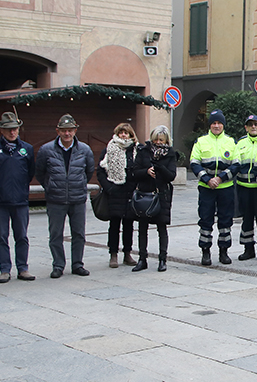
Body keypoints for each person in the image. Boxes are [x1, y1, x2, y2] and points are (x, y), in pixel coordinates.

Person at [35, 114, 95, 278]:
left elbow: (89, 171)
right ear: (58, 131)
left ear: (75, 130)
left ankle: (77, 264)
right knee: (55, 234)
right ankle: (58, 265)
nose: (67, 134)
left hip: (77, 198)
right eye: (63, 131)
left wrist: (79, 184)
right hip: (56, 199)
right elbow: (40, 172)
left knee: (79, 234)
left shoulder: (84, 149)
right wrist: (50, 186)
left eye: (70, 130)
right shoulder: (46, 150)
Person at [0, 111, 36, 284]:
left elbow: (30, 172)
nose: (12, 132)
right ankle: (4, 269)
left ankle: (23, 268)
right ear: (2, 131)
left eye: (15, 129)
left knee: (22, 236)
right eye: (8, 129)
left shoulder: (26, 149)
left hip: (20, 200)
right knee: (1, 236)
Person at [190, 109, 237, 266]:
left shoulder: (231, 142)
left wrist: (220, 178)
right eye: (214, 123)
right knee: (205, 219)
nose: (216, 126)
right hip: (206, 188)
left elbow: (236, 165)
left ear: (223, 125)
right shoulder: (201, 141)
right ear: (210, 125)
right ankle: (205, 252)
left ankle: (224, 252)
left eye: (219, 123)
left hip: (226, 187)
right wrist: (207, 179)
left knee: (225, 221)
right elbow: (194, 163)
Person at [131, 125, 177, 272]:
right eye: (155, 139)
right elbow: (134, 171)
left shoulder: (170, 154)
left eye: (161, 140)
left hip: (161, 194)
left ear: (166, 140)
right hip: (145, 193)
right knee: (142, 227)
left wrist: (159, 168)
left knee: (161, 227)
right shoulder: (143, 151)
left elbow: (171, 176)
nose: (158, 142)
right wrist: (146, 171)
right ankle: (142, 258)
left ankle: (162, 259)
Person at [98, 122, 138, 268]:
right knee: (114, 224)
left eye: (126, 133)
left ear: (130, 135)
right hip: (115, 191)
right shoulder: (110, 148)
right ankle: (113, 254)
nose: (123, 135)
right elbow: (100, 171)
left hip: (129, 191)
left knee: (129, 224)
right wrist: (109, 187)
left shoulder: (135, 150)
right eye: (121, 132)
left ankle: (127, 253)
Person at [234, 114, 257, 261]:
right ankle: (248, 249)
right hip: (243, 187)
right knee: (246, 219)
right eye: (250, 124)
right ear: (246, 127)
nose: (253, 127)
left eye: (256, 124)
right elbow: (235, 162)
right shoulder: (241, 143)